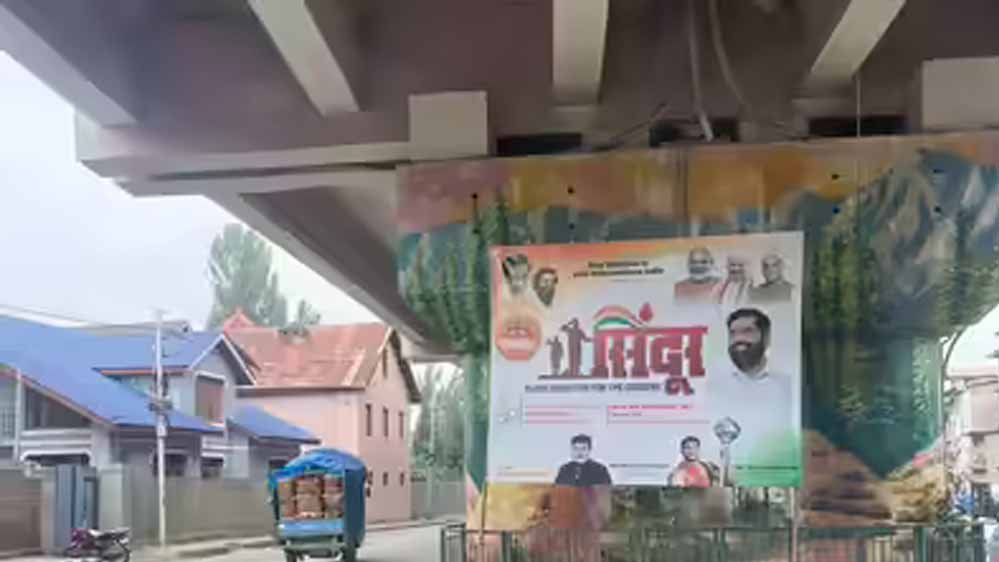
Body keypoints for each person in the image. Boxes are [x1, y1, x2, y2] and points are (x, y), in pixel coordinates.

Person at [708, 308, 795, 485]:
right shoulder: (712, 388)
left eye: (747, 331)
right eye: (733, 333)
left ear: (766, 338)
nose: (738, 339)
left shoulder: (789, 387)